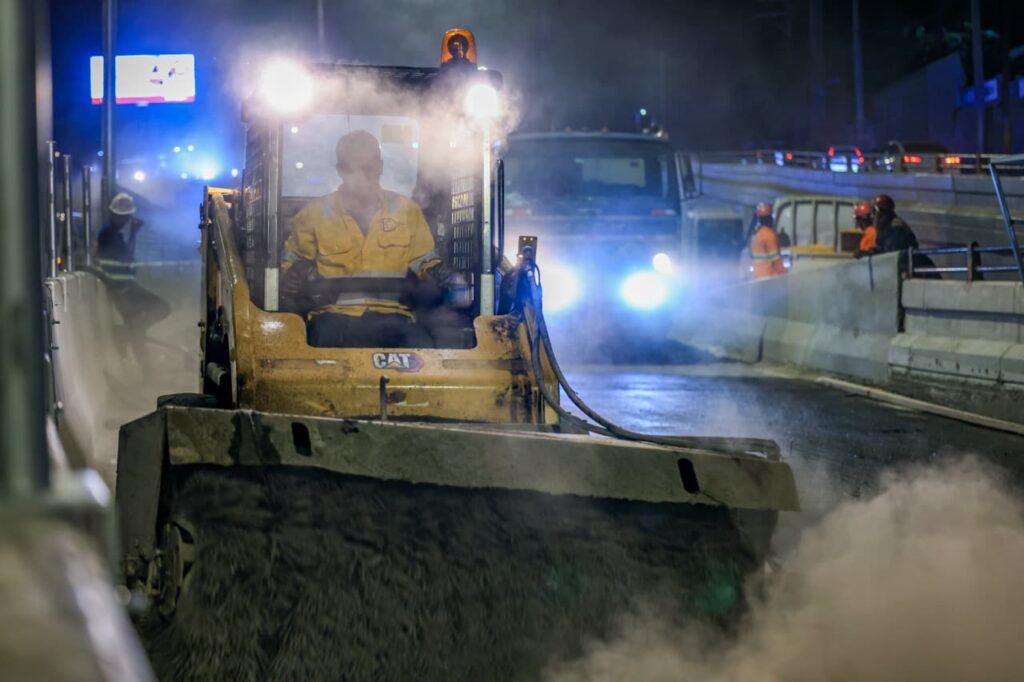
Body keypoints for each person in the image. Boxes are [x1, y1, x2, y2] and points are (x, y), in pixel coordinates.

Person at [281, 130, 442, 348]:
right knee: (318, 352)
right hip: (331, 317)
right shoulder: (314, 214)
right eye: (352, 168)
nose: (362, 176)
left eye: (368, 168)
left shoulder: (406, 211)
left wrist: (438, 272)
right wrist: (291, 275)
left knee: (423, 351)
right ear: (340, 170)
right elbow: (291, 263)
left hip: (395, 317)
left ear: (380, 166)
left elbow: (424, 259)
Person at [96, 192, 170, 330]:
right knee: (162, 307)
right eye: (125, 217)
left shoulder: (111, 234)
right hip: (123, 289)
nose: (126, 220)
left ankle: (132, 332)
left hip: (122, 288)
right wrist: (134, 233)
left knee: (135, 322)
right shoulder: (108, 234)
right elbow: (126, 257)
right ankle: (131, 331)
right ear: (115, 215)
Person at [750, 202, 786, 278]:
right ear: (769, 218)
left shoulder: (756, 235)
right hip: (769, 276)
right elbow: (775, 260)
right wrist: (783, 273)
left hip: (757, 275)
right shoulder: (769, 235)